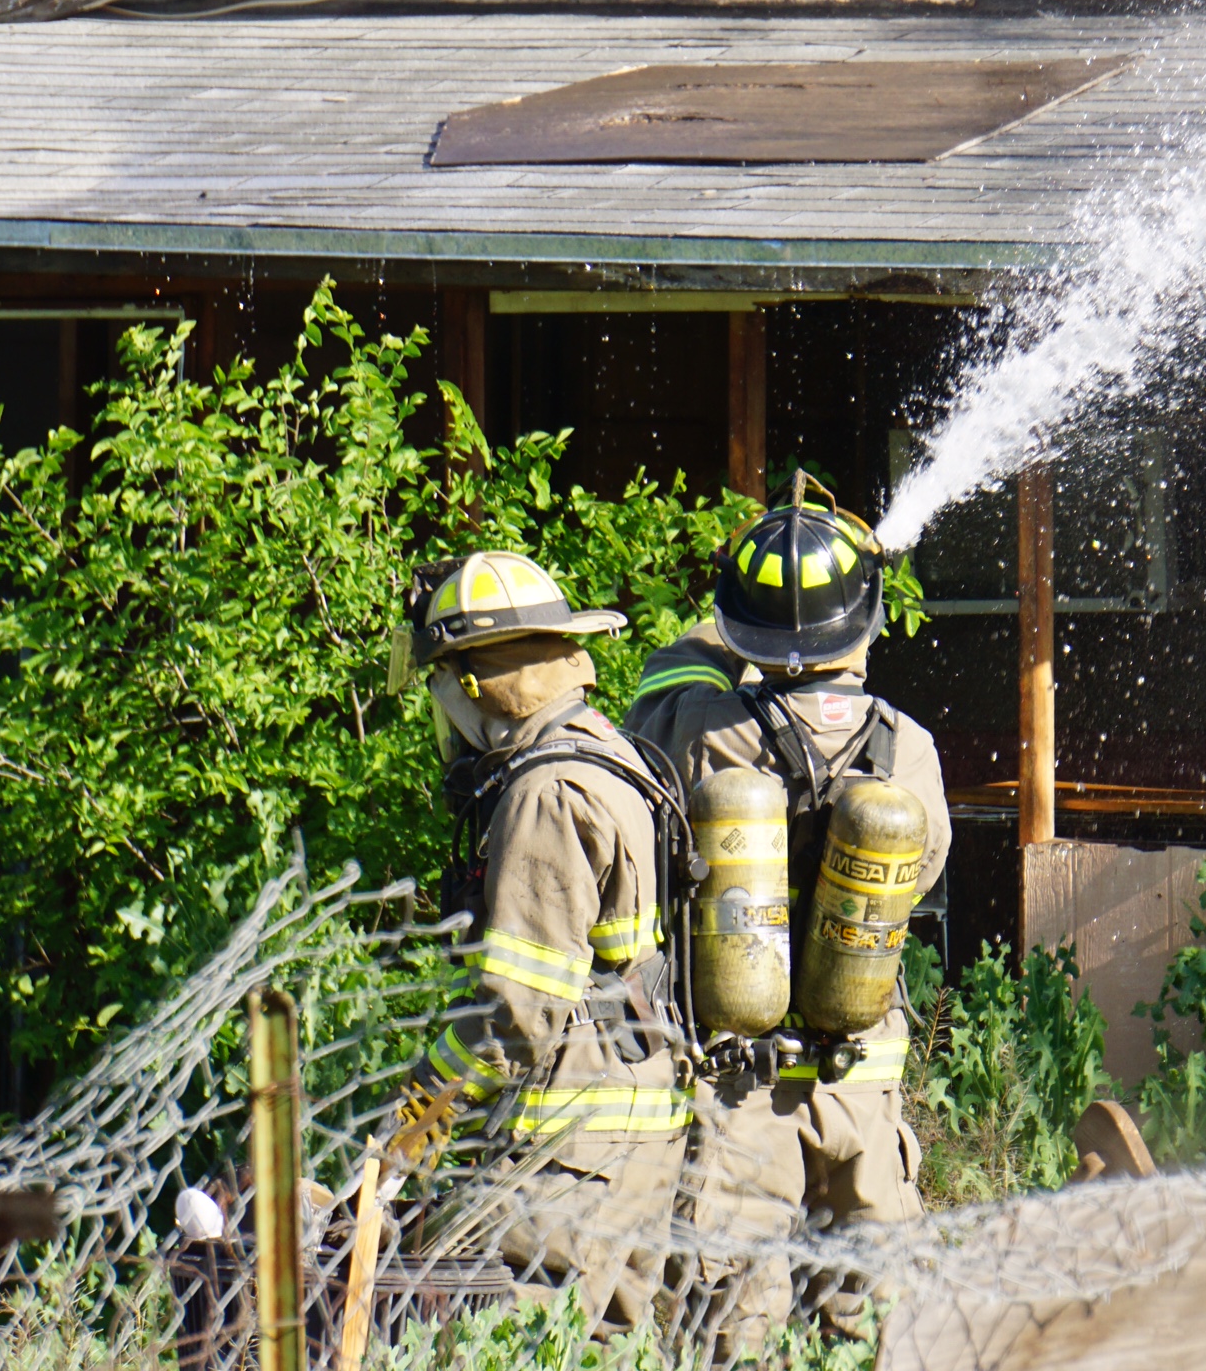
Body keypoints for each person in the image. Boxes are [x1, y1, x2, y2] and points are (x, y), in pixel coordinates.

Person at [627, 481, 951, 1284]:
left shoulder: (702, 729)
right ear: (866, 624)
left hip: (744, 1099)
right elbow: (923, 873)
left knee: (738, 1323)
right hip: (862, 1088)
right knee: (872, 1321)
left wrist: (748, 596)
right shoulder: (910, 749)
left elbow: (665, 677)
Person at [390, 550, 692, 1332]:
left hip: (569, 1148)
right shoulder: (613, 754)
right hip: (642, 1126)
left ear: (472, 685)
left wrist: (422, 1108)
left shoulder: (543, 790)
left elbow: (517, 1011)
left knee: (520, 1344)